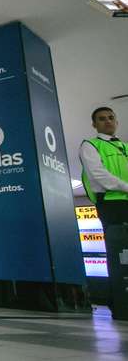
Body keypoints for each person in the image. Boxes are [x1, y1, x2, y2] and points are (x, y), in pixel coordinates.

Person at [79, 107, 128, 317]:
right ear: (94, 124)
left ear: (116, 121)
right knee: (118, 253)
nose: (107, 121)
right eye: (101, 119)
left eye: (110, 118)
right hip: (111, 204)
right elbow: (98, 175)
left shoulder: (125, 147)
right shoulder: (90, 145)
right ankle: (121, 302)